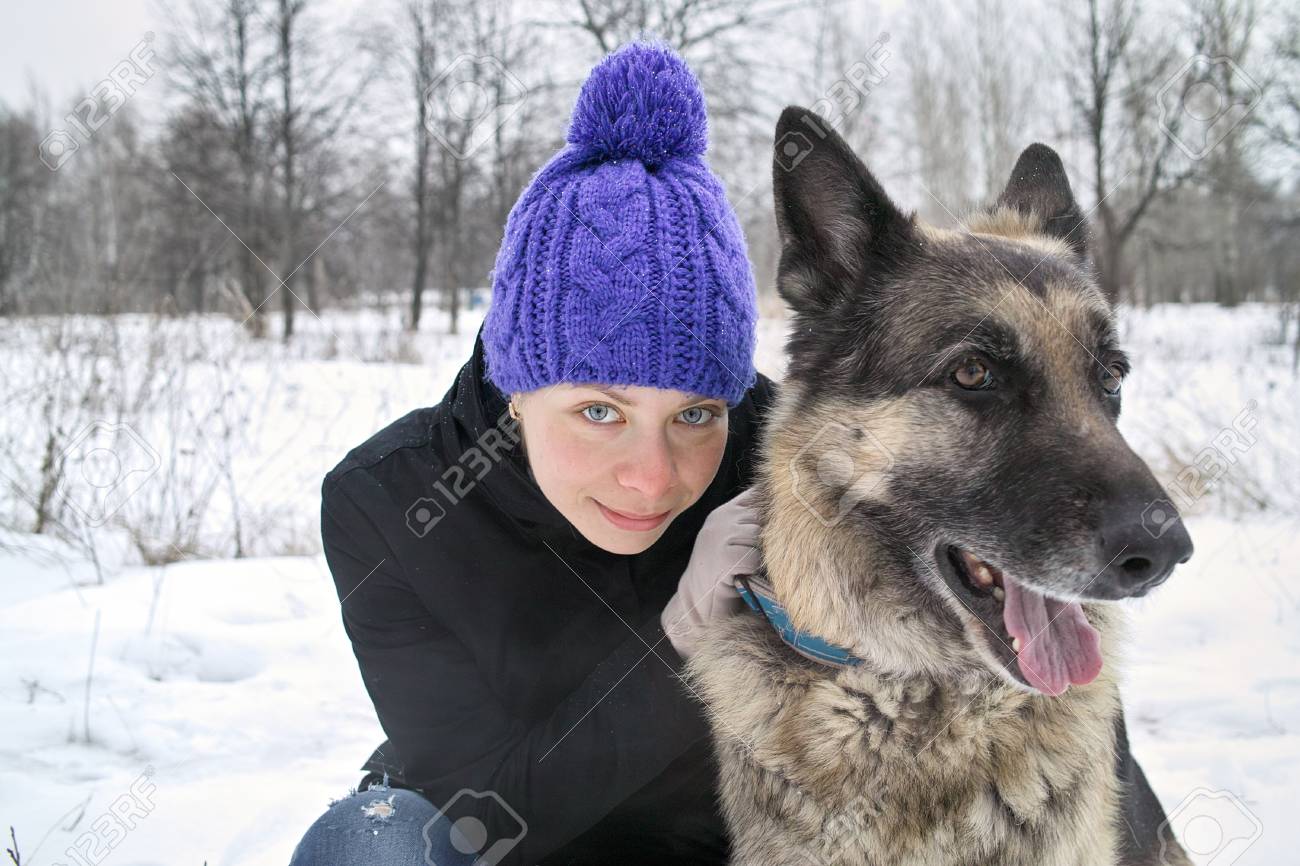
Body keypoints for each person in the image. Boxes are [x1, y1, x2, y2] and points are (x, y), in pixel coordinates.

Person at [290, 41, 1174, 866]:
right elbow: (486, 817)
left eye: (695, 413)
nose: (653, 474)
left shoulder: (790, 457)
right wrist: (678, 634)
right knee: (368, 842)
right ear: (515, 384)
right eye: (598, 410)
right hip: (507, 834)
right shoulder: (391, 501)